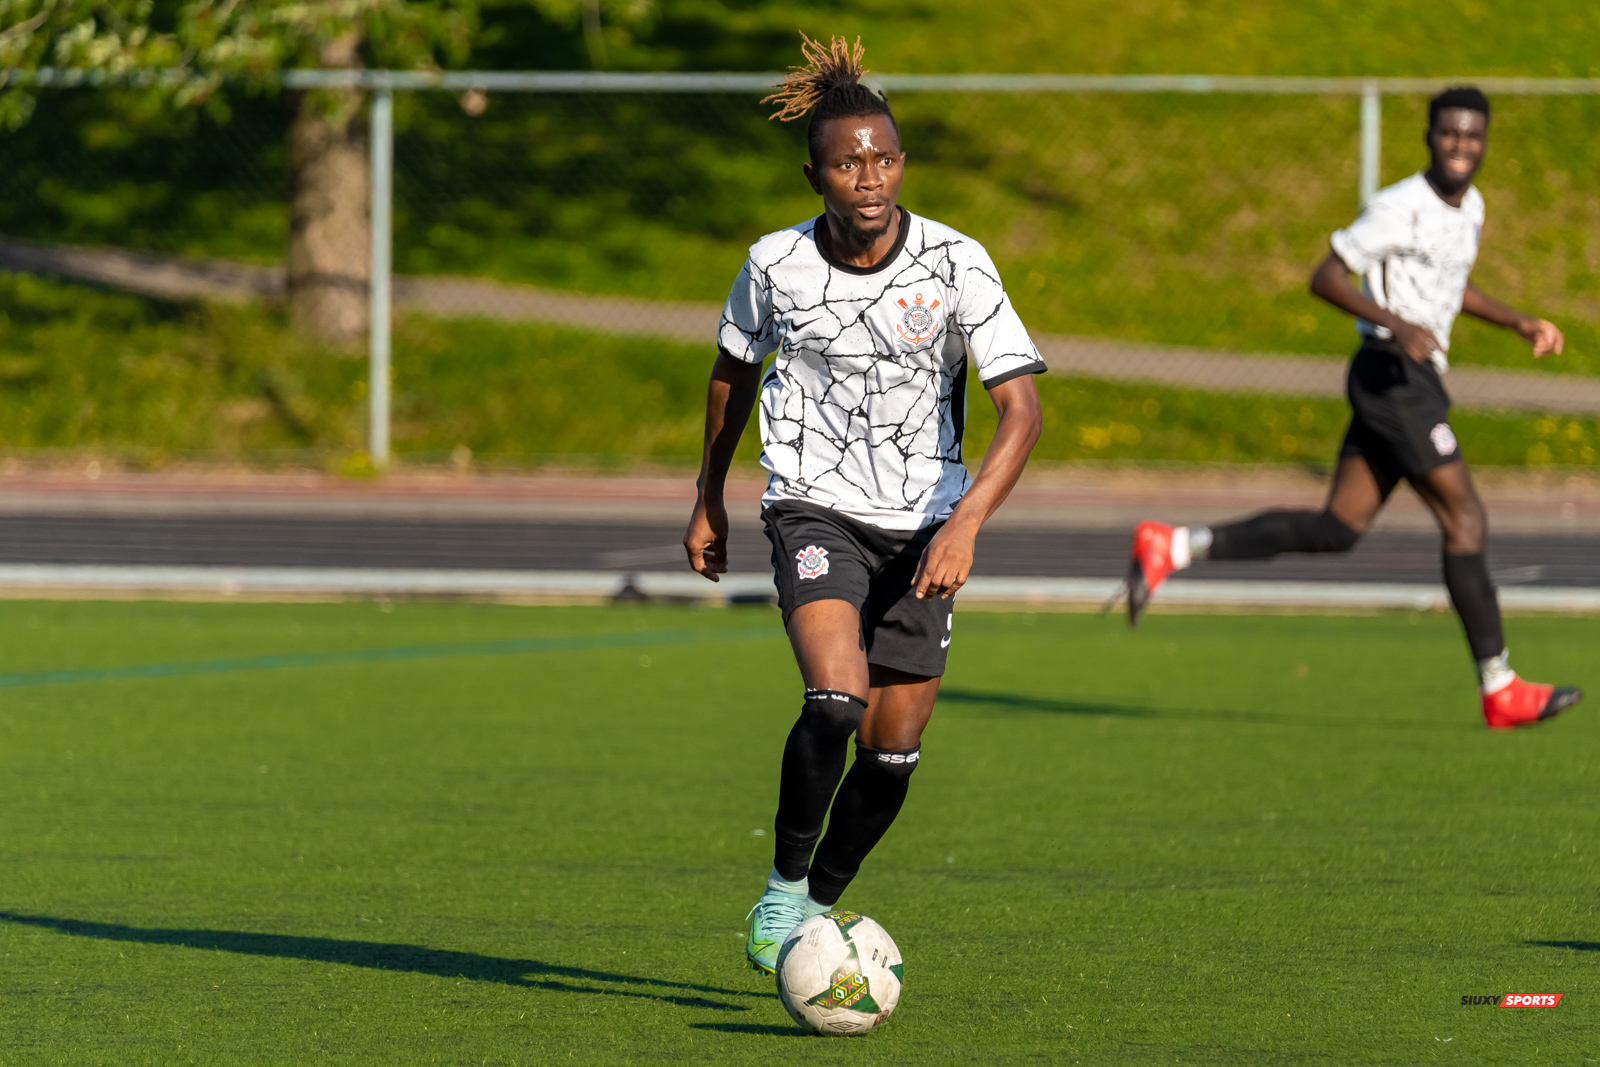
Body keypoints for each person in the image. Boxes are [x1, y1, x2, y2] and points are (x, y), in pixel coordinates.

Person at [682, 34, 1045, 973]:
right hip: (813, 507)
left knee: (892, 755)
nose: (869, 176)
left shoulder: (959, 263)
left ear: (902, 163)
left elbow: (1023, 411)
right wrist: (709, 498)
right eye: (848, 162)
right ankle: (781, 887)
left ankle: (818, 905)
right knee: (836, 698)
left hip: (927, 528)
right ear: (817, 176)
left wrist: (963, 523)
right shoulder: (774, 264)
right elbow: (731, 373)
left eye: (883, 157)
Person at [1124, 86, 1581, 731]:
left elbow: (1451, 282)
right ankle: (1499, 686)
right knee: (1467, 518)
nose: (1460, 146)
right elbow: (1327, 276)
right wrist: (1396, 323)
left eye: (1472, 136)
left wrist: (1516, 321)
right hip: (1393, 376)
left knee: (1339, 527)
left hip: (1414, 378)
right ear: (1429, 136)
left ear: (1485, 143)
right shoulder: (1398, 207)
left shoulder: (1471, 207)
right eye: (1448, 133)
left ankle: (1174, 545)